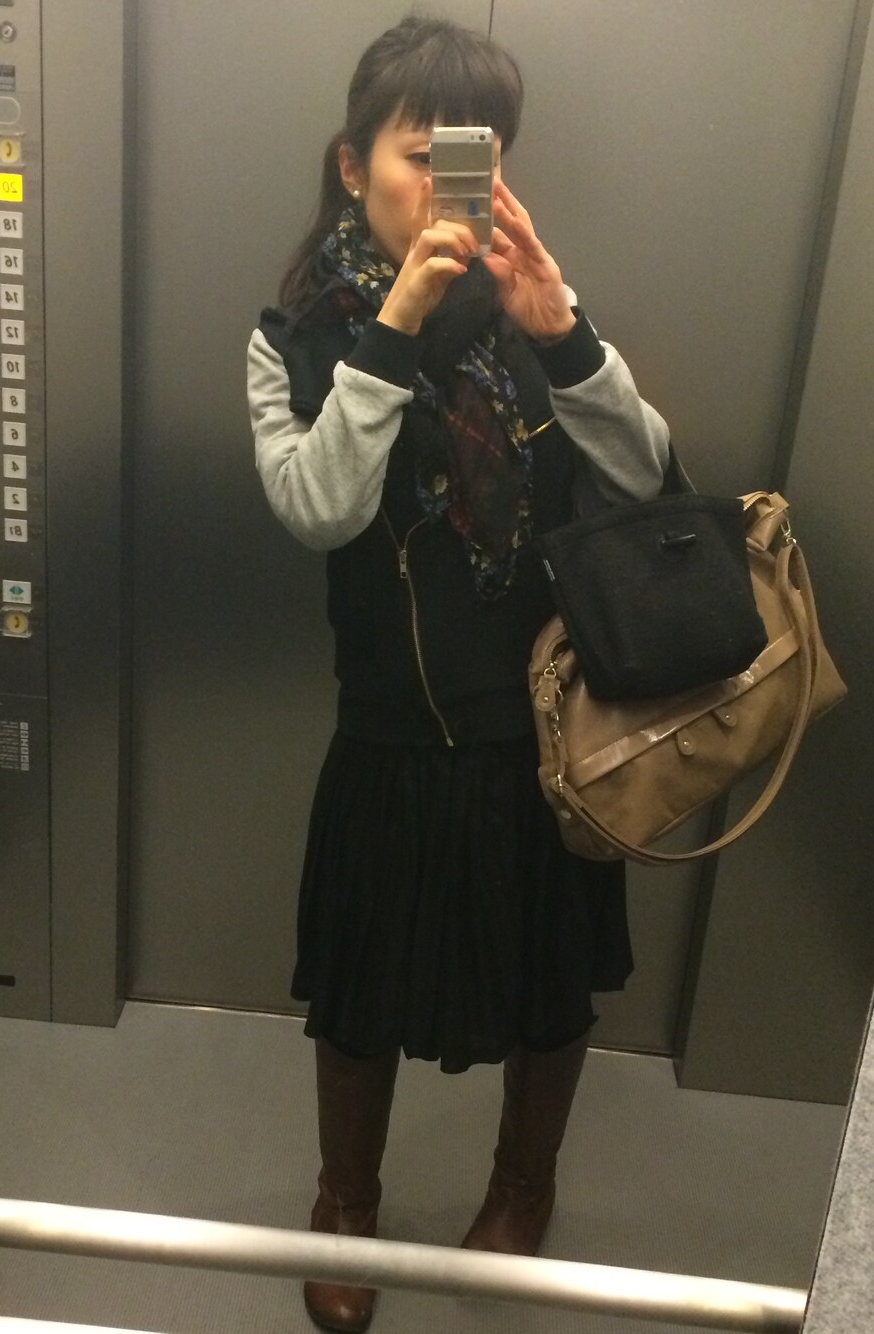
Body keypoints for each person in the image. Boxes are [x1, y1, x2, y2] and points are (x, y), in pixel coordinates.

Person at [247, 16, 669, 1332]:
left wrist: (568, 337)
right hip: (389, 725)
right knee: (359, 989)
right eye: (417, 154)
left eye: (474, 156)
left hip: (545, 729)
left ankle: (522, 1187)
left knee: (549, 985)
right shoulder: (296, 336)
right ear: (352, 164)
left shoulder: (533, 313)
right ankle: (346, 1201)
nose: (443, 185)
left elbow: (650, 479)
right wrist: (395, 327)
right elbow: (318, 506)